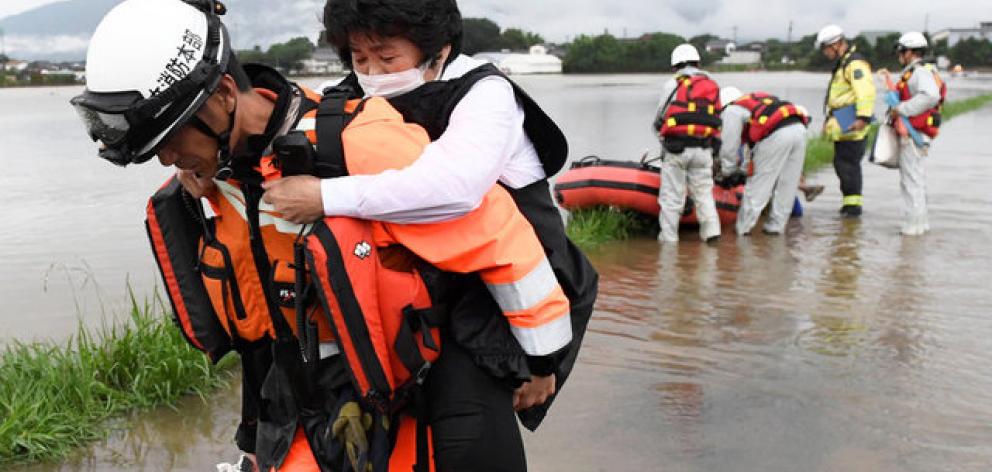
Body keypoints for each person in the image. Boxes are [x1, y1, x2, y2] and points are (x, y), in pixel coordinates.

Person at [71, 0, 583, 470]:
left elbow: (494, 231)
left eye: (171, 139)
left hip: (404, 382)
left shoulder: (361, 140)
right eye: (362, 57)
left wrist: (540, 359)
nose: (165, 159)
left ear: (224, 96)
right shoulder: (214, 173)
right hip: (298, 397)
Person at [263, 2, 599, 470]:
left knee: (472, 439)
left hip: (497, 307)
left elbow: (454, 188)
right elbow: (275, 125)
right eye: (359, 59)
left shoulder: (486, 95)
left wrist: (327, 195)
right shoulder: (347, 96)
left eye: (387, 58)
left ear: (437, 53)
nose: (372, 74)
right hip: (418, 299)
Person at [651, 43, 722, 243]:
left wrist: (661, 138)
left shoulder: (672, 84)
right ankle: (712, 235)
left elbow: (660, 117)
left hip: (676, 150)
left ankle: (669, 242)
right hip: (703, 149)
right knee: (704, 195)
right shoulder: (712, 85)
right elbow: (718, 118)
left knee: (672, 198)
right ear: (698, 62)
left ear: (675, 66)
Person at [716, 87, 810, 235]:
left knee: (758, 188)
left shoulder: (731, 111)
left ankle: (742, 231)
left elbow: (729, 147)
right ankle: (775, 230)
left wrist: (728, 171)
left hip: (776, 135)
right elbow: (751, 148)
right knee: (787, 186)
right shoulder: (758, 103)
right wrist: (744, 169)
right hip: (799, 130)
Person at [881, 32, 945, 235]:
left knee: (911, 181)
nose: (899, 55)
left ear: (909, 52)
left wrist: (902, 109)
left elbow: (931, 96)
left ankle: (912, 228)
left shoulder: (919, 72)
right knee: (915, 180)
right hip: (915, 132)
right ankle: (920, 225)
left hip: (913, 134)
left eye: (901, 51)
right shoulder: (921, 71)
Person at [815, 24, 877, 218]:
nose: (825, 53)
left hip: (852, 123)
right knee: (842, 164)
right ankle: (849, 206)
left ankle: (852, 209)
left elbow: (865, 93)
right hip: (843, 122)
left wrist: (863, 118)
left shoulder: (854, 64)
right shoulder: (844, 64)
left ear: (836, 45)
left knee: (848, 165)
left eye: (826, 49)